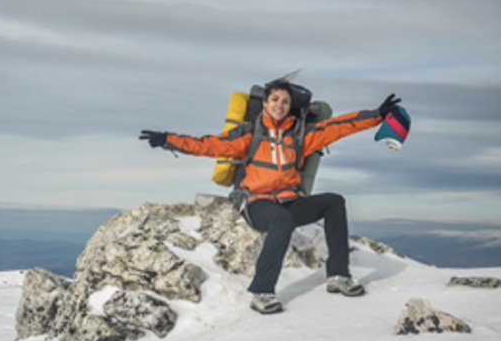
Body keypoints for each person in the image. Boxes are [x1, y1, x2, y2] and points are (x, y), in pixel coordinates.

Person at [140, 79, 401, 314]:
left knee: (335, 202)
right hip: (256, 202)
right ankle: (261, 292)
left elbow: (338, 127)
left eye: (285, 101)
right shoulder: (249, 134)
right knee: (282, 221)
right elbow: (207, 145)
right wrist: (167, 140)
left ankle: (338, 276)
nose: (280, 105)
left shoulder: (300, 135)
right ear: (265, 103)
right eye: (275, 99)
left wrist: (377, 115)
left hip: (289, 199)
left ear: (290, 106)